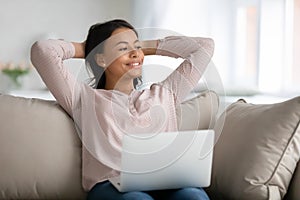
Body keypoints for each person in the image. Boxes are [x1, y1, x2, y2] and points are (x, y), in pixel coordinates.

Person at [31, 19, 214, 200]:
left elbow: (205, 47)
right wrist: (89, 49)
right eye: (123, 48)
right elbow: (43, 51)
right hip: (111, 185)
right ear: (101, 59)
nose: (135, 53)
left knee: (193, 196)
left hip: (165, 182)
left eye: (137, 47)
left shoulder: (166, 93)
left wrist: (143, 47)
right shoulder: (83, 99)